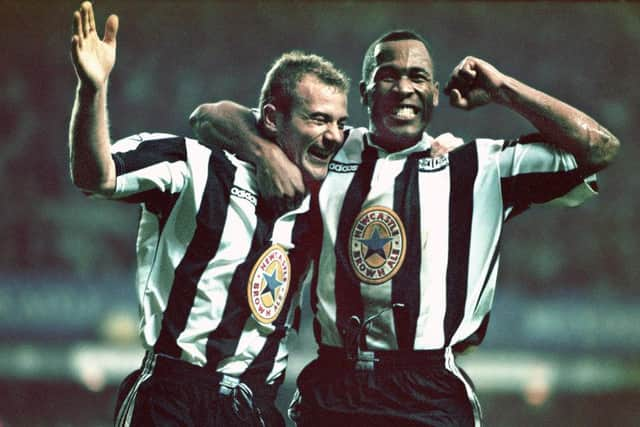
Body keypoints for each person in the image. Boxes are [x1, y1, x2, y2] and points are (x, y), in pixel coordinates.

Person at [190, 30, 619, 426]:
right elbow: (210, 116)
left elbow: (598, 148)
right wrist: (267, 157)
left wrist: (503, 89)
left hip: (427, 390)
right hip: (334, 385)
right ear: (365, 92)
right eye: (388, 75)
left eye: (417, 77)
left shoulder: (477, 167)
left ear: (434, 94)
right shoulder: (329, 149)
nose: (404, 88)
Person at [68, 2, 350, 426]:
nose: (334, 136)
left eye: (341, 123)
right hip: (172, 396)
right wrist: (92, 90)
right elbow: (97, 176)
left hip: (252, 405)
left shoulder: (326, 201)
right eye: (319, 119)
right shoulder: (194, 166)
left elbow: (215, 113)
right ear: (272, 119)